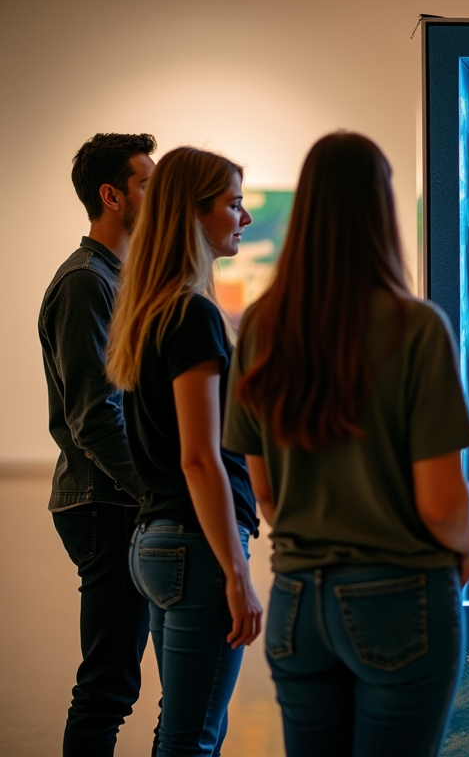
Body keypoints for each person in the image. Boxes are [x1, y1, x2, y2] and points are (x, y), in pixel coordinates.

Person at [222, 132, 469, 756]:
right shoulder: (416, 327)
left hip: (296, 603)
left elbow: (266, 495)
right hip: (401, 600)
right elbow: (441, 505)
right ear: (379, 210)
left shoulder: (261, 326)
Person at [105, 146, 262, 756]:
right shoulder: (192, 315)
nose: (243, 218)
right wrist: (236, 572)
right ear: (194, 215)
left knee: (185, 726)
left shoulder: (150, 309)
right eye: (232, 203)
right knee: (192, 736)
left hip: (159, 539)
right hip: (196, 547)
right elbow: (200, 457)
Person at [38, 132, 157, 756]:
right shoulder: (87, 282)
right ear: (111, 196)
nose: (159, 193)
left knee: (116, 684)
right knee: (108, 687)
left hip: (120, 500)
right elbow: (95, 416)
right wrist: (156, 492)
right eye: (146, 182)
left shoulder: (119, 277)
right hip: (105, 503)